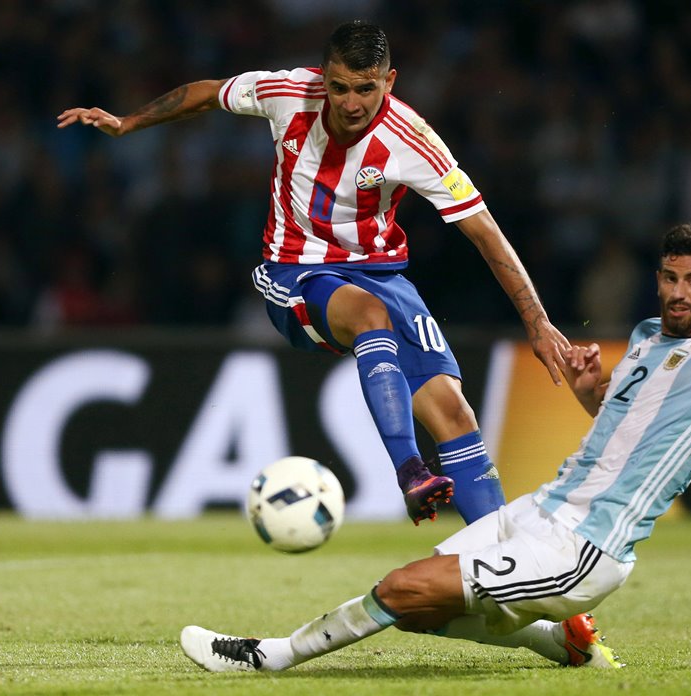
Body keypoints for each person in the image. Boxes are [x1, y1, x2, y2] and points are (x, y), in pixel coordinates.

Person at [178, 223, 691, 672]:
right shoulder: (648, 335)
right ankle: (562, 643)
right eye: (669, 277)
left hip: (585, 545)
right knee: (420, 612)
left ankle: (268, 657)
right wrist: (593, 387)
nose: (677, 292)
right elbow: (627, 418)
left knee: (401, 590)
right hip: (537, 510)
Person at [57, 20, 570, 526]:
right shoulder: (288, 92)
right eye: (339, 87)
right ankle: (410, 470)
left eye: (365, 89)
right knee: (370, 316)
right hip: (295, 271)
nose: (350, 103)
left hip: (382, 274)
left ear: (389, 83)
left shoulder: (414, 141)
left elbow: (485, 232)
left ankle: (511, 572)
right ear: (322, 76)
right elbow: (209, 93)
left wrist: (537, 322)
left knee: (455, 415)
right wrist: (127, 123)